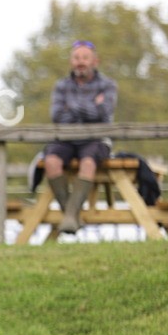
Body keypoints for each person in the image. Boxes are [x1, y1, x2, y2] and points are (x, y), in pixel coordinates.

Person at [42, 40, 118, 233]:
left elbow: (104, 113)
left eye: (85, 57)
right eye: (76, 58)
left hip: (96, 139)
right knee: (50, 161)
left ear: (95, 61)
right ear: (71, 61)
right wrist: (92, 105)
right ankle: (72, 215)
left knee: (88, 163)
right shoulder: (61, 85)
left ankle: (68, 217)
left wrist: (72, 106)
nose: (80, 62)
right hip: (66, 138)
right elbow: (57, 116)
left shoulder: (108, 85)